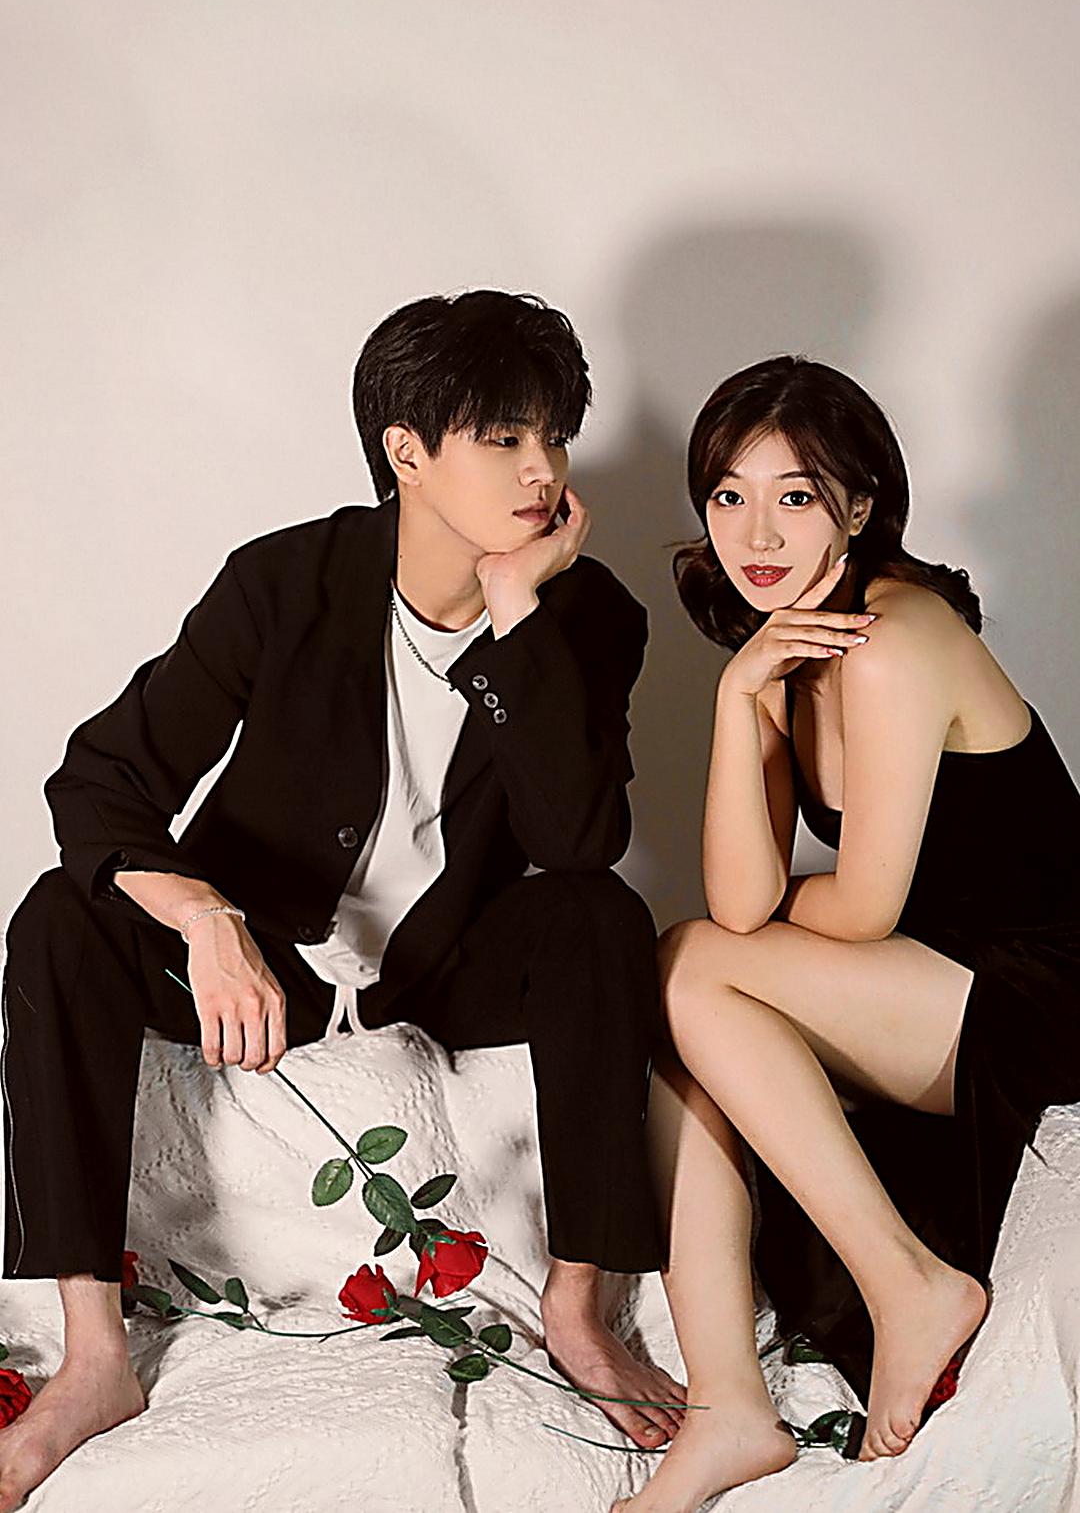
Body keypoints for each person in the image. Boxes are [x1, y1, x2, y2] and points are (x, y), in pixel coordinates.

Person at [0, 289, 686, 1512]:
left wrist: (519, 617)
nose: (542, 470)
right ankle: (95, 1353)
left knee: (601, 918)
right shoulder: (286, 582)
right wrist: (206, 918)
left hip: (446, 959)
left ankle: (579, 1308)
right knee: (60, 917)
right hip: (266, 948)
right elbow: (99, 781)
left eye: (553, 438)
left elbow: (579, 841)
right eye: (504, 438)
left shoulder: (590, 618)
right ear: (405, 451)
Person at [613, 355, 1080, 1513]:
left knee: (694, 968)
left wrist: (776, 925)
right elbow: (742, 900)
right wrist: (738, 698)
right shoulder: (788, 647)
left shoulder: (897, 636)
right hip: (931, 984)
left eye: (796, 495)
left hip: (1042, 991)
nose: (757, 532)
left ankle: (910, 1286)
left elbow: (856, 907)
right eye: (728, 496)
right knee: (687, 1008)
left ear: (860, 507)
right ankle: (729, 1410)